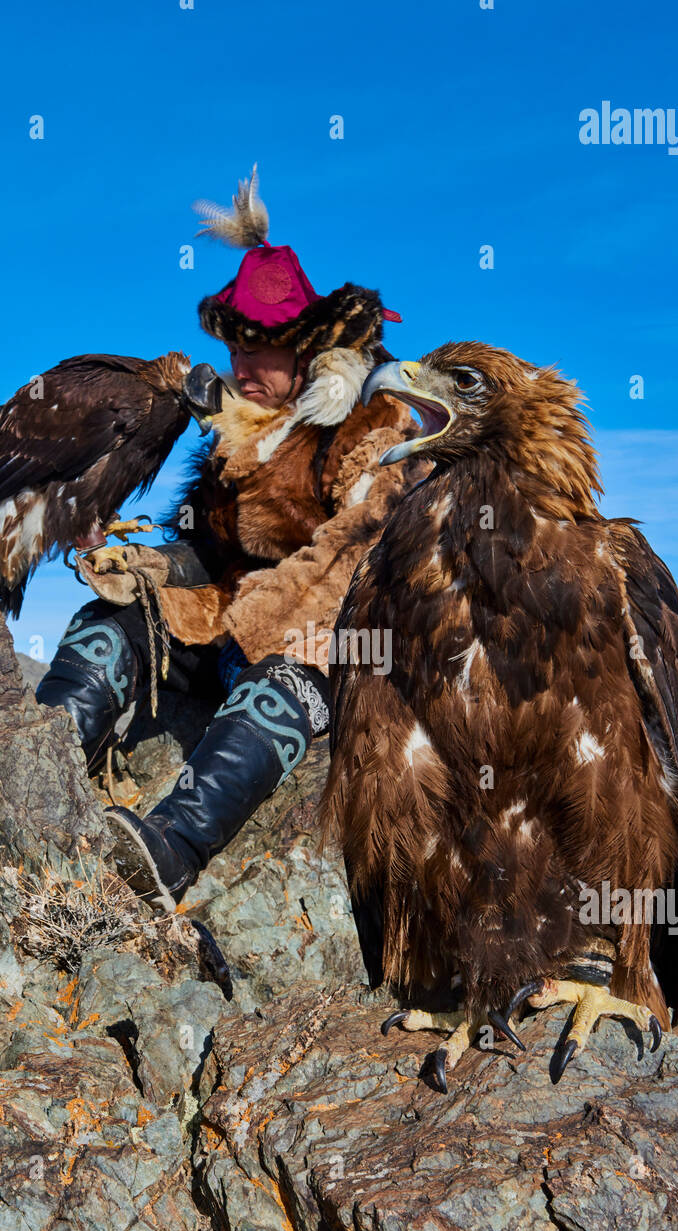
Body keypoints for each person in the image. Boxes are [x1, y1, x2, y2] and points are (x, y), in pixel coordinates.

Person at [36, 169, 428, 911]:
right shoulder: (236, 439)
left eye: (263, 348)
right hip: (226, 627)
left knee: (285, 682)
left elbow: (364, 552)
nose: (243, 366)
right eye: (236, 347)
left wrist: (315, 630)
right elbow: (212, 554)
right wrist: (154, 565)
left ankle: (168, 851)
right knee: (114, 624)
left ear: (309, 353)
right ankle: (39, 767)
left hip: (335, 649)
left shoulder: (371, 431)